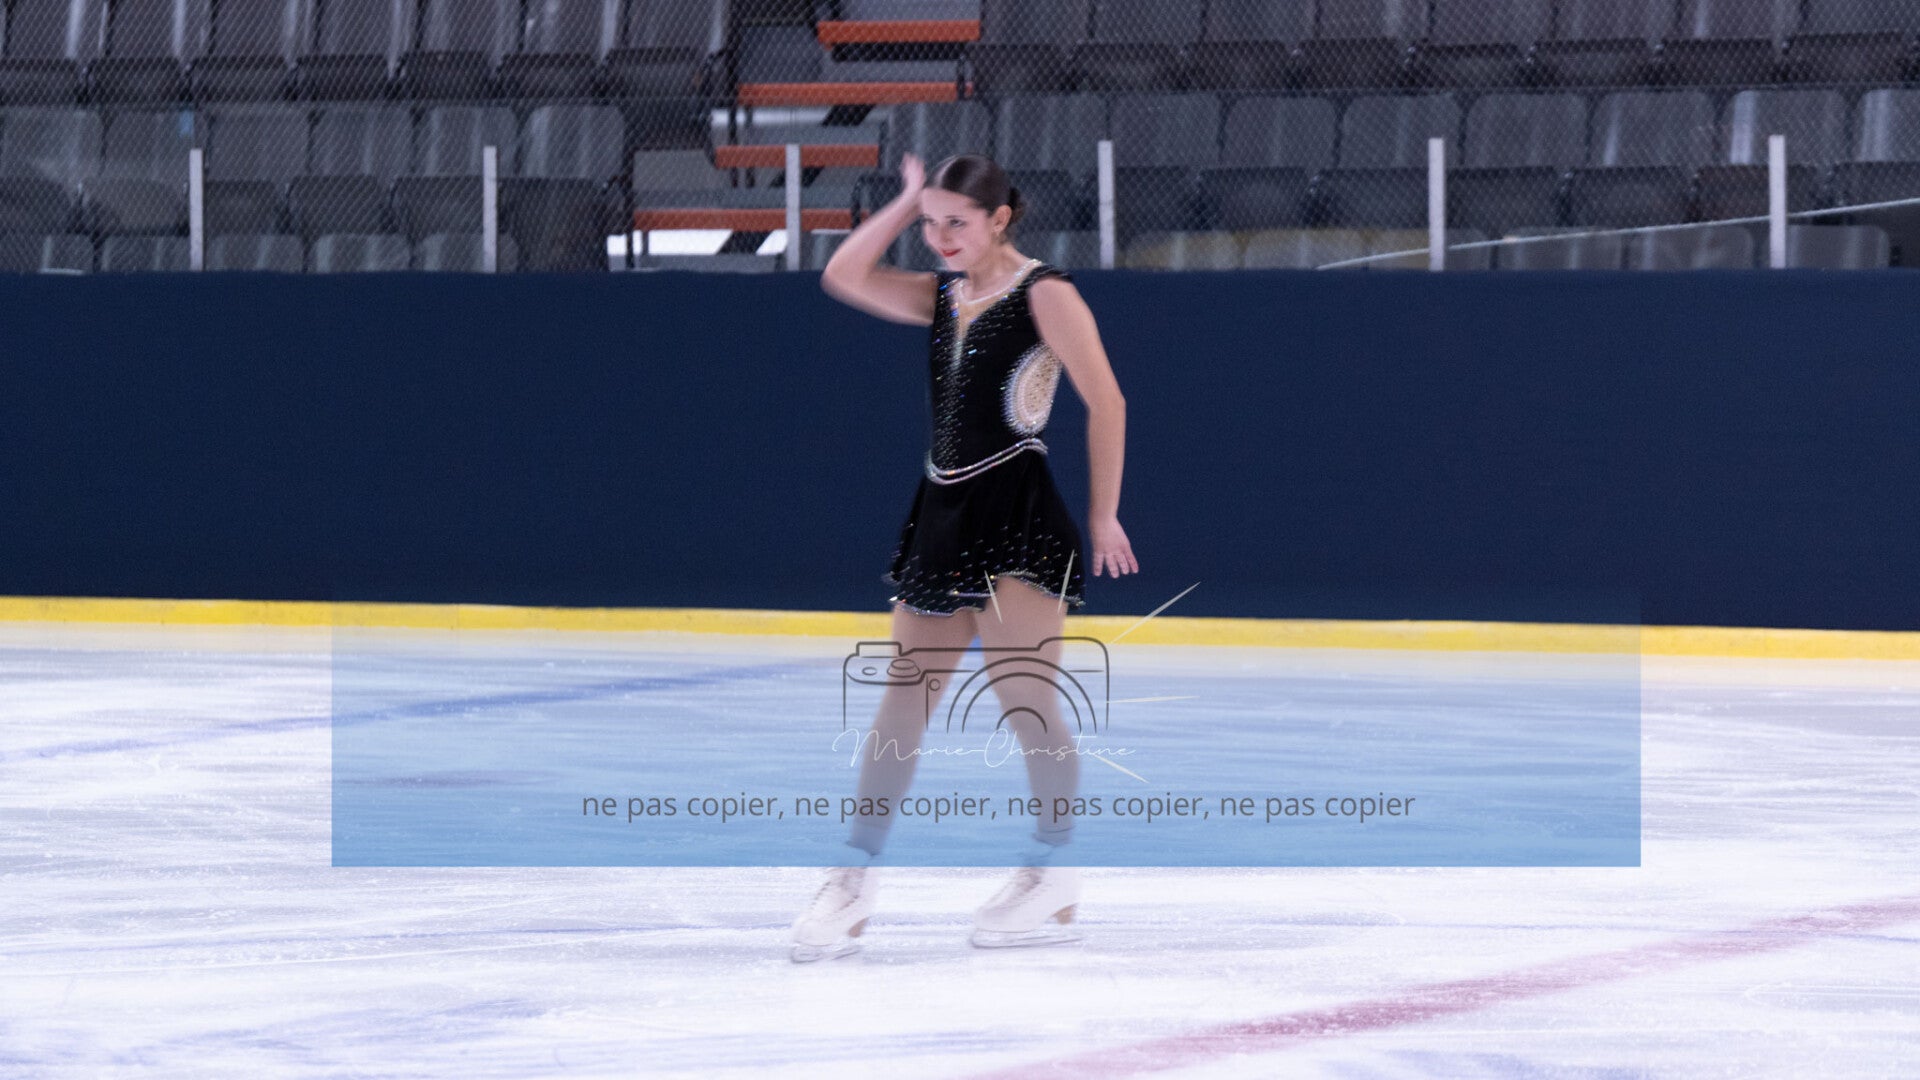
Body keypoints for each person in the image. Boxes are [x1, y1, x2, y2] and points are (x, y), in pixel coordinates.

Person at [790, 152, 1136, 961]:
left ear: (999, 218)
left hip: (1017, 513)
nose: (941, 237)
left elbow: (1109, 400)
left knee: (1026, 700)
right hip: (942, 513)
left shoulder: (1046, 293)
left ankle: (1052, 868)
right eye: (930, 224)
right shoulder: (941, 295)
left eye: (957, 222)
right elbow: (842, 274)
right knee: (902, 702)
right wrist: (904, 200)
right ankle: (853, 878)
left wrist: (1105, 514)